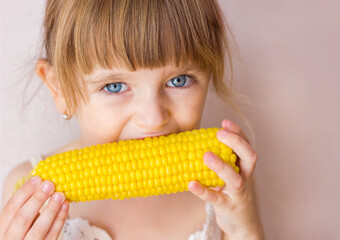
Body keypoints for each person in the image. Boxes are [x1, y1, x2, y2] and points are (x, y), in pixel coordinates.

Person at [0, 0, 264, 239]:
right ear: (60, 89)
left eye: (178, 80)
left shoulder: (224, 190)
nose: (153, 119)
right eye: (114, 86)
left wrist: (245, 229)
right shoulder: (29, 195)